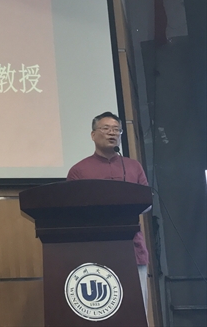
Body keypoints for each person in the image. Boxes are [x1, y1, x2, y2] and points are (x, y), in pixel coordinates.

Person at [66, 111, 149, 311]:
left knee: (137, 309)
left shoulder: (133, 166)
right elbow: (71, 209)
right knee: (102, 309)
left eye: (116, 130)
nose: (112, 133)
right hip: (94, 249)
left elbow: (148, 202)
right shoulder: (79, 170)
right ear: (93, 135)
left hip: (133, 247)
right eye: (106, 129)